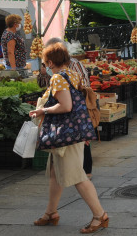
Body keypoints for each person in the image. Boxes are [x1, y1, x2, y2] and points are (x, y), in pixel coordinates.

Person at [29, 42, 108, 233]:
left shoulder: (57, 78)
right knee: (56, 173)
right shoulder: (72, 73)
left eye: (44, 63)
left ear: (49, 62)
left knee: (78, 177)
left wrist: (43, 110)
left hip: (66, 134)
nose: (44, 67)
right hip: (74, 131)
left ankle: (100, 216)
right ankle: (51, 213)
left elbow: (66, 106)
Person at [45, 38, 94, 179]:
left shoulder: (70, 69)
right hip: (75, 110)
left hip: (77, 109)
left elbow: (82, 88)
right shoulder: (58, 73)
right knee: (80, 139)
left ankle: (85, 172)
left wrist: (44, 110)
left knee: (82, 140)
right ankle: (77, 173)